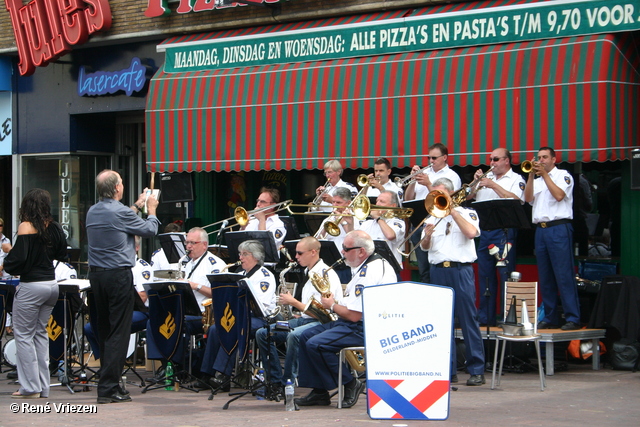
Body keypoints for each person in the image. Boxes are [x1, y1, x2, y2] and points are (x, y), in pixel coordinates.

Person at [295, 230, 397, 409]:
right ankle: (319, 391)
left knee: (316, 344)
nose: (342, 252)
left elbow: (354, 315)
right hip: (351, 322)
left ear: (361, 252)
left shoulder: (368, 273)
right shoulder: (366, 266)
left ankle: (350, 383)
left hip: (364, 327)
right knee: (304, 336)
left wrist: (331, 305)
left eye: (346, 248)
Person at [85, 170, 160, 404]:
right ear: (117, 188)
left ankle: (108, 383)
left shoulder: (93, 210)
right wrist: (152, 210)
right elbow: (150, 230)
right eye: (121, 183)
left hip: (96, 277)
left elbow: (121, 217)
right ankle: (108, 388)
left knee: (105, 329)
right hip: (117, 276)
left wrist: (137, 204)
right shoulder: (119, 212)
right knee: (118, 332)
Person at [420, 178, 485, 386]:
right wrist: (427, 236)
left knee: (468, 319)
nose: (437, 198)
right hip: (438, 271)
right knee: (442, 322)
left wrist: (452, 211)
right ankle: (447, 370)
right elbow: (424, 247)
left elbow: (471, 233)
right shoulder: (431, 217)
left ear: (450, 193)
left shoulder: (468, 213)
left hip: (460, 270)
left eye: (441, 194)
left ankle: (476, 369)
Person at [4, 188, 67, 399]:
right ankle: (43, 386)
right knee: (41, 334)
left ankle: (30, 387)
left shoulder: (26, 226)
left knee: (23, 335)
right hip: (51, 284)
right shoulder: (54, 226)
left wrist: (8, 259)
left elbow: (16, 261)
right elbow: (62, 252)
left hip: (32, 286)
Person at [255, 236, 343, 388]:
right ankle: (274, 379)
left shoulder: (325, 274)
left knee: (294, 335)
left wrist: (293, 302)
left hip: (322, 323)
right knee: (263, 333)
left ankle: (287, 383)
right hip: (304, 320)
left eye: (300, 253)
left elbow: (321, 313)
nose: (296, 257)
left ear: (313, 252)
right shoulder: (309, 272)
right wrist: (297, 313)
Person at [145, 227, 224, 374]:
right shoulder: (184, 261)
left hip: (203, 314)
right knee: (153, 321)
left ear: (204, 245)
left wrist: (196, 286)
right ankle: (166, 363)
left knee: (179, 323)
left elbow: (219, 294)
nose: (188, 247)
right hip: (184, 309)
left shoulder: (215, 264)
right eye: (187, 242)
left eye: (193, 243)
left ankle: (177, 365)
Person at [201, 240, 276, 389]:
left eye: (244, 254)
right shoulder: (239, 274)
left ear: (255, 256)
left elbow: (260, 305)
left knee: (234, 328)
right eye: (240, 253)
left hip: (260, 319)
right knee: (215, 329)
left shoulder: (265, 276)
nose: (240, 257)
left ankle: (223, 375)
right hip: (240, 317)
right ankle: (206, 374)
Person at [524, 147, 581, 331]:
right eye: (539, 158)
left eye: (545, 157)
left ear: (554, 159)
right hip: (540, 230)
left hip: (558, 228)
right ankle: (550, 316)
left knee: (564, 275)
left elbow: (558, 196)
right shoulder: (538, 179)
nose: (541, 161)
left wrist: (545, 176)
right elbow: (528, 199)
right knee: (545, 276)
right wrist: (532, 176)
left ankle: (573, 317)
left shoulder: (563, 175)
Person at [468, 148, 525, 326]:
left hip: (504, 232)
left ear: (507, 161)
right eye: (491, 159)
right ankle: (486, 318)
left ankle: (508, 318)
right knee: (485, 276)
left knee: (505, 275)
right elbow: (468, 196)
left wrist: (493, 185)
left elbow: (517, 200)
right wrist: (475, 182)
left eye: (496, 159)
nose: (492, 163)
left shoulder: (516, 179)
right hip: (485, 231)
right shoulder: (488, 178)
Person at [85, 236, 151, 360]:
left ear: (137, 248)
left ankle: (114, 363)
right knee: (90, 328)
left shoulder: (142, 267)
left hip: (139, 312)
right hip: (117, 310)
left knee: (113, 324)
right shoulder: (115, 266)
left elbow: (142, 296)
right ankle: (105, 361)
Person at [404, 143, 461, 284]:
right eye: (429, 158)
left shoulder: (452, 176)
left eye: (434, 158)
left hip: (440, 225)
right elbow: (408, 199)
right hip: (420, 222)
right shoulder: (425, 173)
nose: (431, 161)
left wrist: (429, 184)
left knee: (436, 267)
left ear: (445, 157)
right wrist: (412, 180)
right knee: (423, 269)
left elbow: (449, 201)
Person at [354, 190, 405, 270]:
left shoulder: (397, 222)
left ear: (393, 206)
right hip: (369, 268)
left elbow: (390, 235)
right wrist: (348, 222)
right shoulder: (367, 223)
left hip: (390, 268)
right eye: (377, 201)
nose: (377, 204)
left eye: (382, 201)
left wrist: (378, 218)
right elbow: (354, 239)